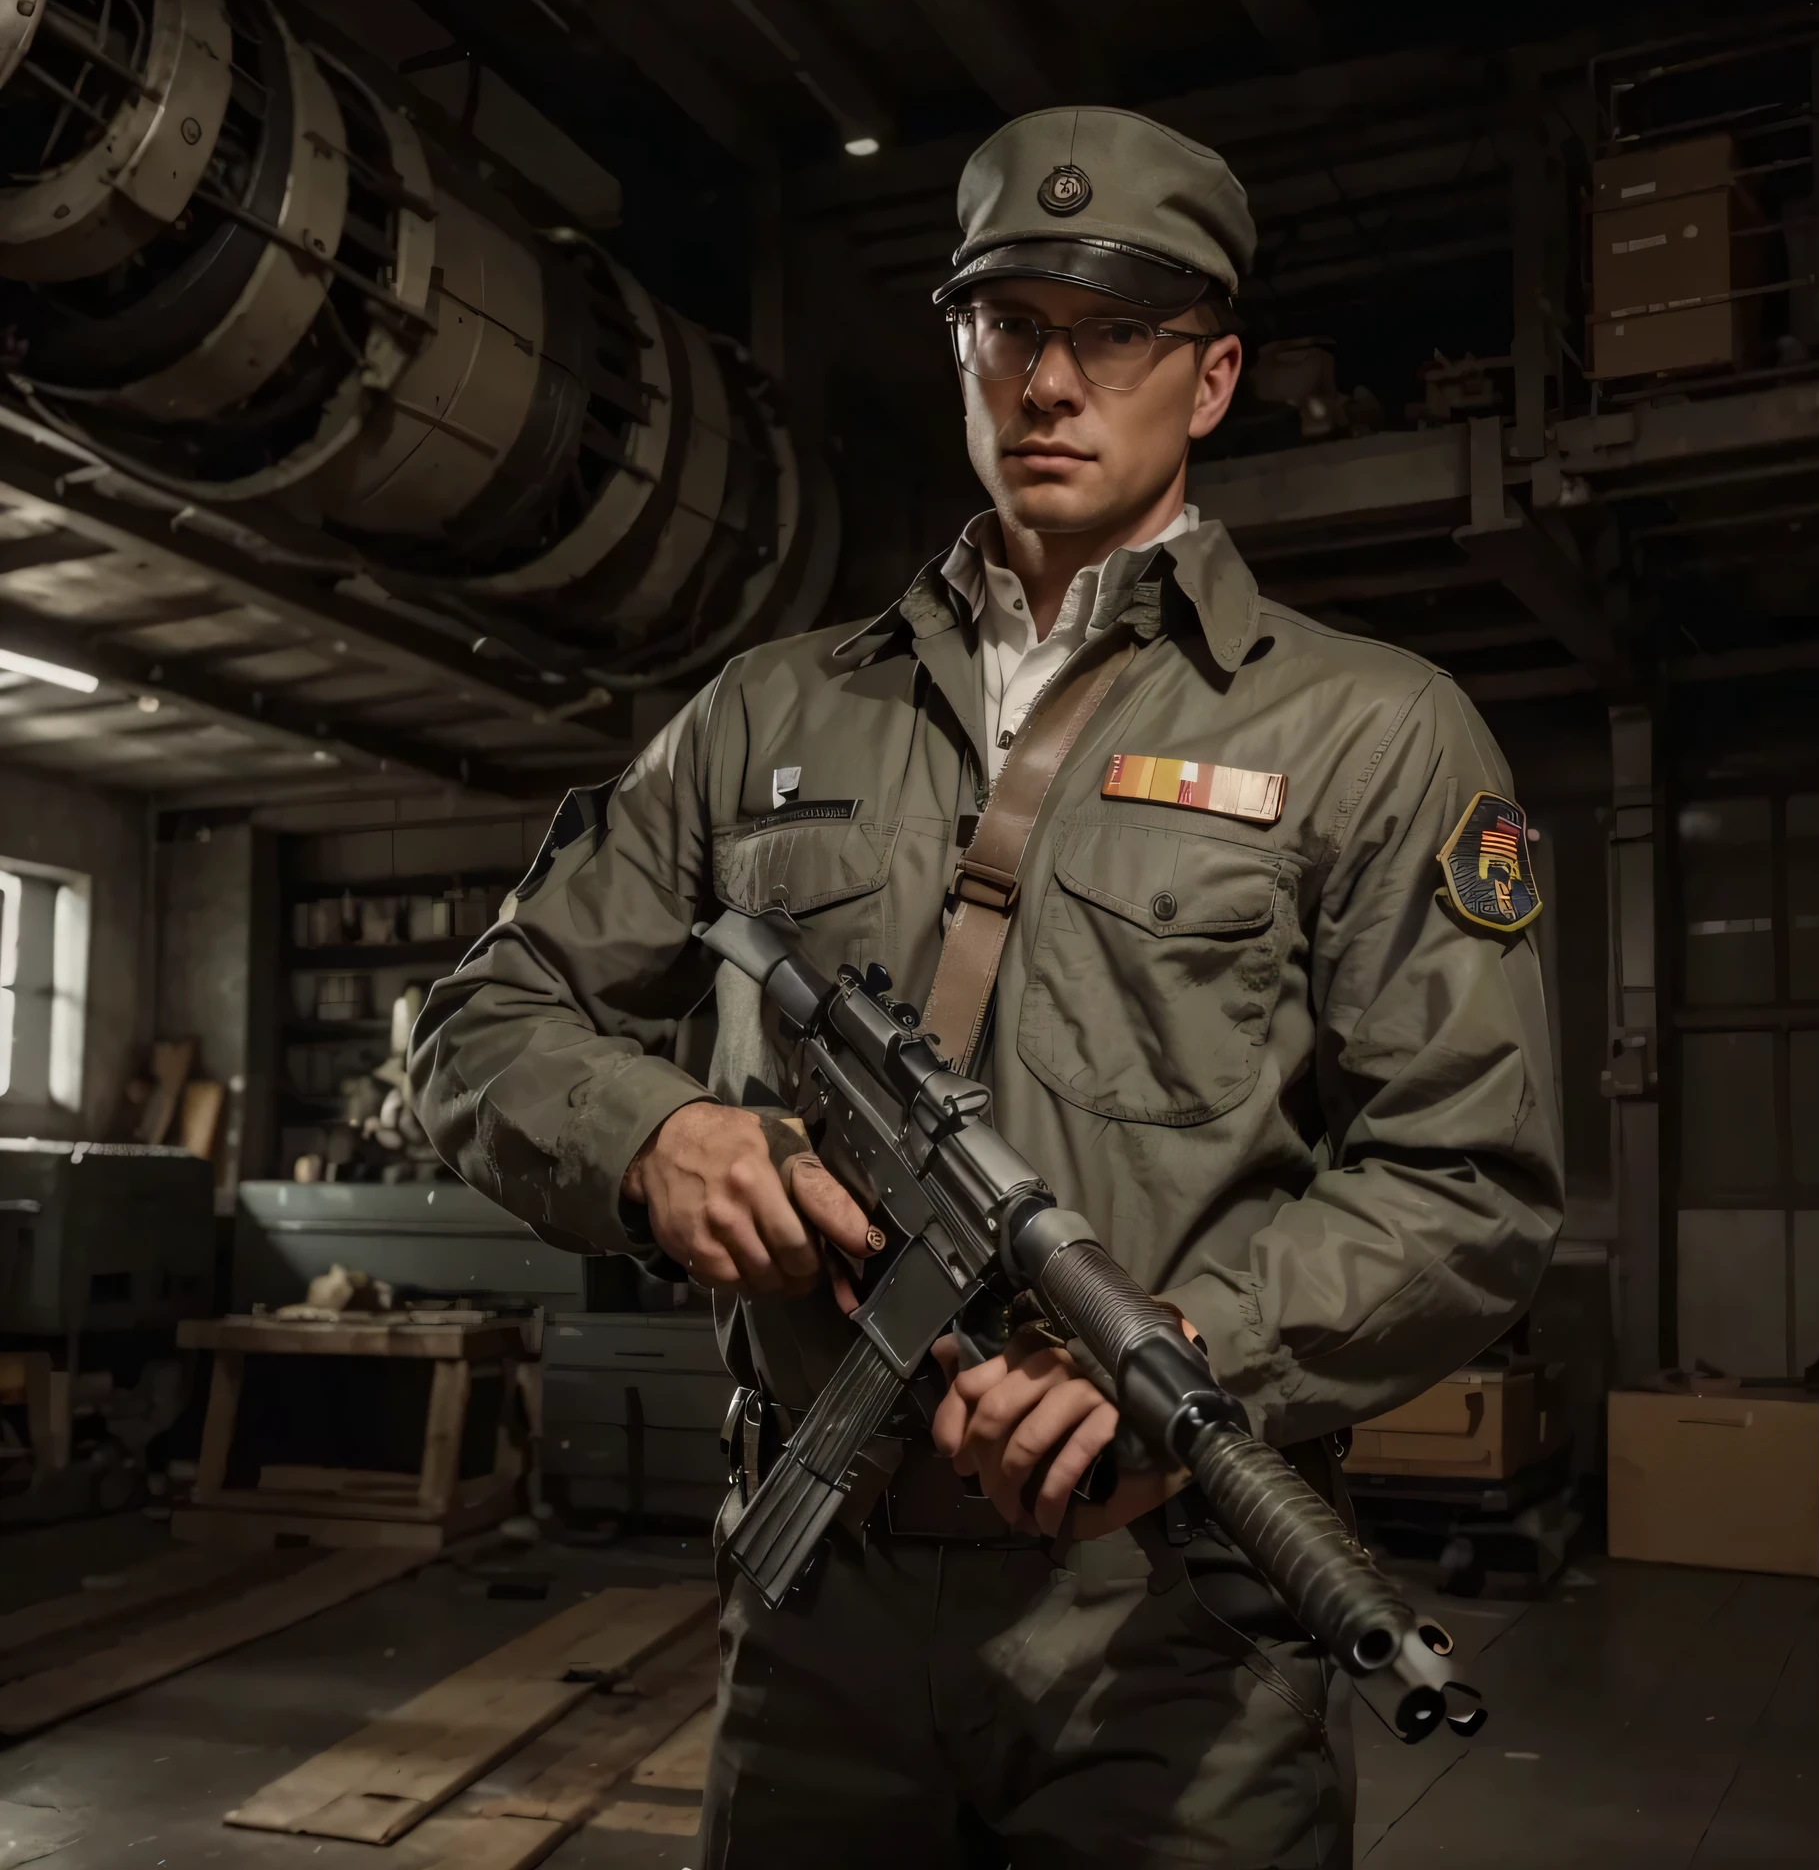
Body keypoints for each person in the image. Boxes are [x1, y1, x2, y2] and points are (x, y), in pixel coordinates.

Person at [411, 103, 1562, 1870]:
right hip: (823, 1624)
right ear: (959, 347)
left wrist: (1201, 1352)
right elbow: (483, 1025)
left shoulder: (1370, 733)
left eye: (1118, 331)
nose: (1051, 379)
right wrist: (658, 1141)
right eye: (1010, 324)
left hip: (1173, 1640)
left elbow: (1469, 1186)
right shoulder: (768, 715)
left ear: (1218, 374)